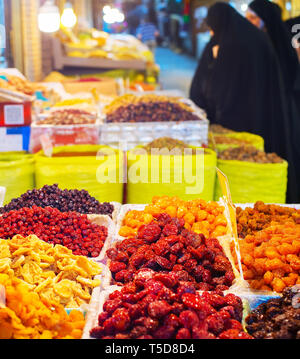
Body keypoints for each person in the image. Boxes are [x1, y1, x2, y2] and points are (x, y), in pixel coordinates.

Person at [189, 2, 298, 202]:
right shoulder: (251, 38)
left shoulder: (235, 43)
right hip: (260, 113)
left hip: (240, 114)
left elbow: (222, 85)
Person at [247, 0, 300, 202]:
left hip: (282, 110)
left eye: (254, 18)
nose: (250, 22)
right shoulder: (260, 40)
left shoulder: (276, 42)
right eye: (248, 18)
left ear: (265, 20)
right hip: (269, 109)